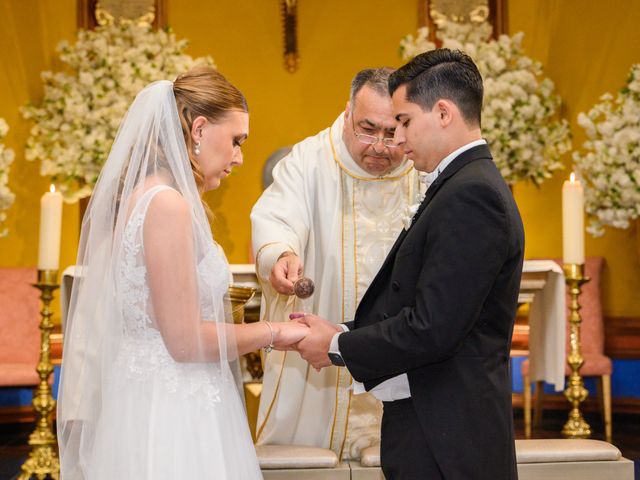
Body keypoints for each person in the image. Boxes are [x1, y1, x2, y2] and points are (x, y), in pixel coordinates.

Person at [57, 66, 308, 479]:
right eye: (236, 140)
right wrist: (275, 332)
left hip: (154, 396)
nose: (240, 156)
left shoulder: (148, 198)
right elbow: (184, 341)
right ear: (200, 129)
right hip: (171, 413)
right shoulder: (167, 205)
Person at [293, 49, 524, 479]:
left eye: (403, 121)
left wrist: (337, 346)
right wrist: (342, 333)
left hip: (449, 439)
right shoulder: (459, 184)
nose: (397, 139)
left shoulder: (473, 195)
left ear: (442, 113)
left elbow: (433, 328)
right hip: (433, 427)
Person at [251, 68, 423, 458]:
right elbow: (277, 217)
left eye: (393, 131)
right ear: (347, 114)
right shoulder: (309, 162)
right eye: (367, 129)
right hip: (317, 359)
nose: (380, 146)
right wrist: (282, 254)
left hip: (398, 350)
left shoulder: (424, 167)